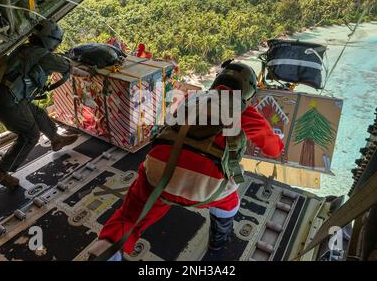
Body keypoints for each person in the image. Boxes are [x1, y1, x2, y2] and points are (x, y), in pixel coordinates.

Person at [88, 61, 285, 261]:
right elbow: (273, 150)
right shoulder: (247, 113)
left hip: (160, 171)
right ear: (246, 92)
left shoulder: (190, 98)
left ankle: (105, 250)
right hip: (207, 187)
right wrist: (278, 141)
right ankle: (218, 240)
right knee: (229, 203)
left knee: (130, 215)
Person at [0, 19, 89, 189]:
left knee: (37, 113)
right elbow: (68, 68)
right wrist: (88, 73)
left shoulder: (25, 49)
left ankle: (56, 139)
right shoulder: (41, 54)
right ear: (51, 39)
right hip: (5, 98)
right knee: (30, 135)